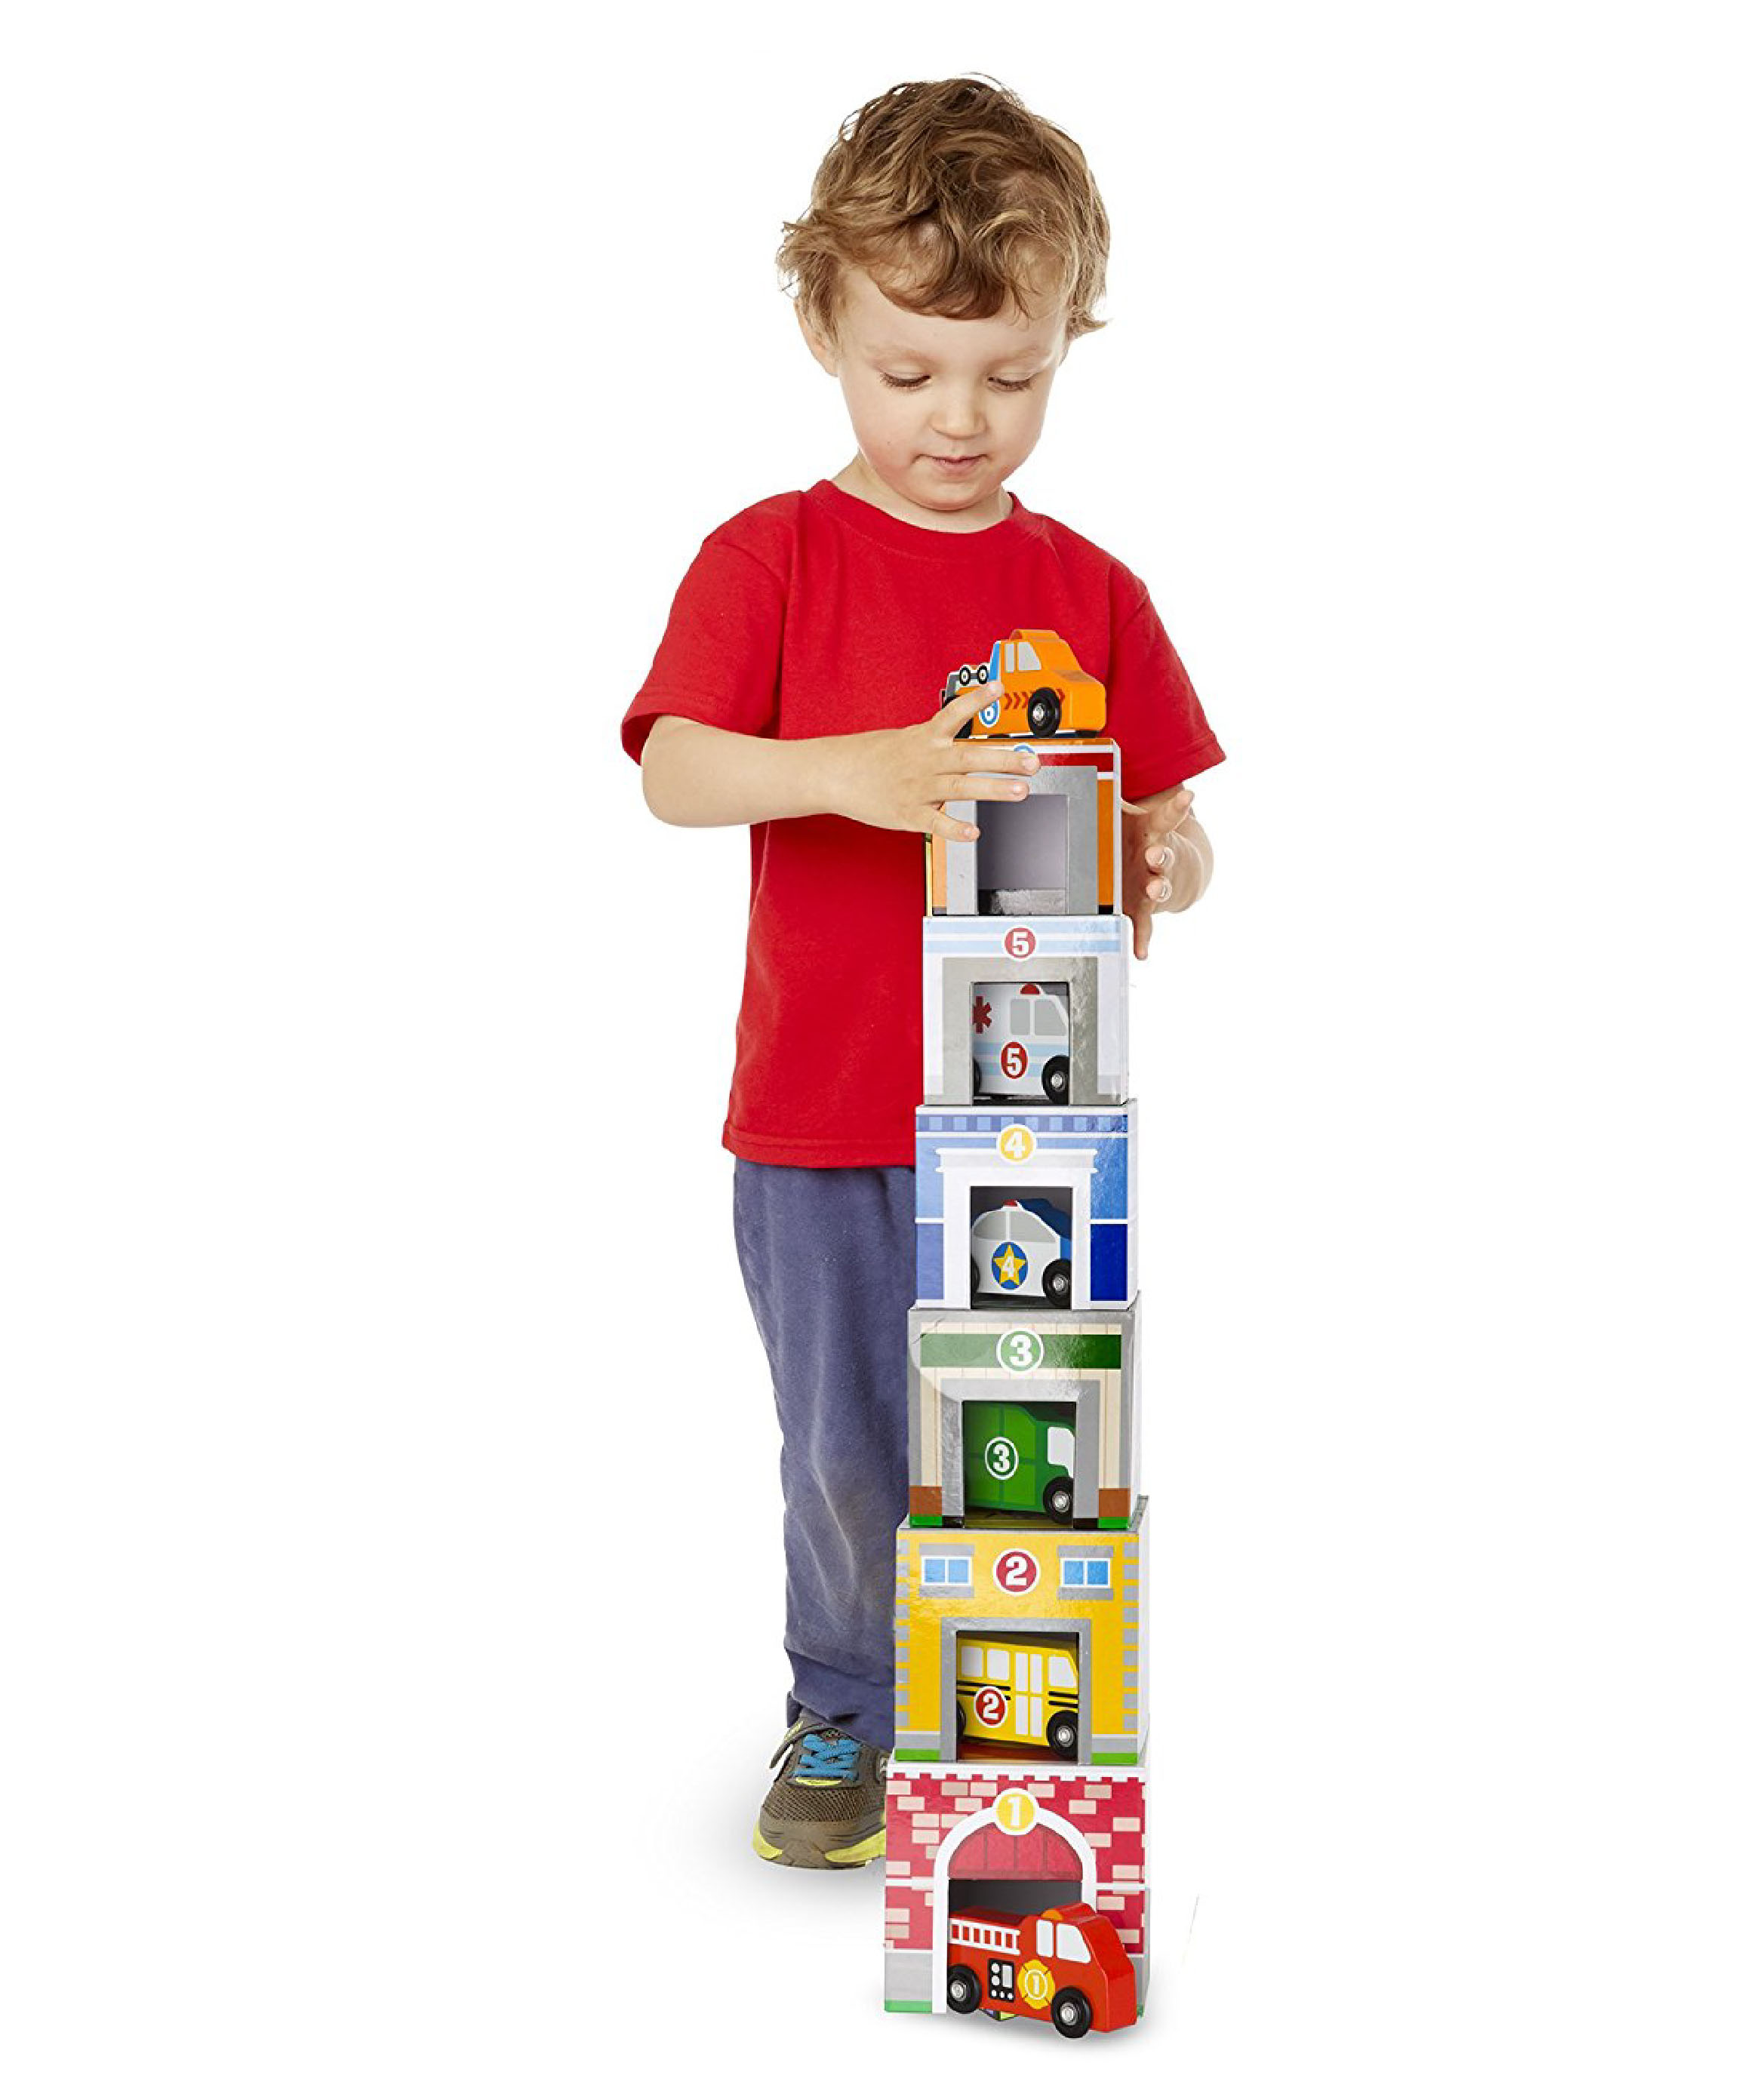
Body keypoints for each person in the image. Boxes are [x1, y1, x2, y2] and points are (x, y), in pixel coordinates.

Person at [620, 76, 1225, 1868]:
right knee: (841, 1442)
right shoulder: (770, 556)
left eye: (1008, 375)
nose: (958, 419)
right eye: (908, 372)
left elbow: (1170, 815)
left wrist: (1169, 860)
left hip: (1031, 1128)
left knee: (1013, 1442)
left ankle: (996, 1722)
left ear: (1064, 343)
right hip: (817, 1124)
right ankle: (841, 1703)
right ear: (821, 327)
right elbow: (672, 771)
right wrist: (850, 772)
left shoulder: (1088, 587)